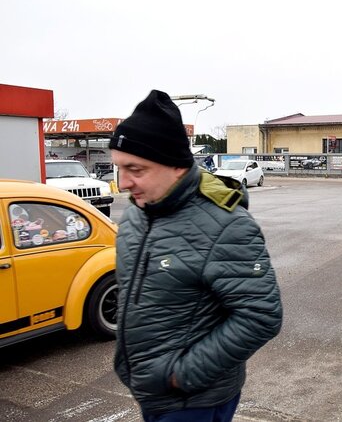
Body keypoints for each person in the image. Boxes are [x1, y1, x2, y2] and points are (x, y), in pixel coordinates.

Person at [110, 90, 283, 422]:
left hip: (194, 401)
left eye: (136, 169)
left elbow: (261, 315)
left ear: (176, 166)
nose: (123, 183)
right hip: (150, 389)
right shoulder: (136, 214)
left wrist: (181, 375)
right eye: (119, 168)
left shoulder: (227, 225)